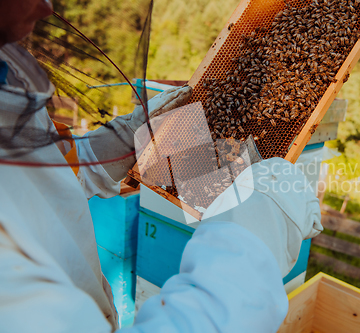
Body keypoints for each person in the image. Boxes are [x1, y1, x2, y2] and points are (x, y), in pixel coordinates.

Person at [0, 1, 323, 332]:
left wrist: (117, 142)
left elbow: (36, 175)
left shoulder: (7, 81)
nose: (46, 7)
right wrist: (253, 243)